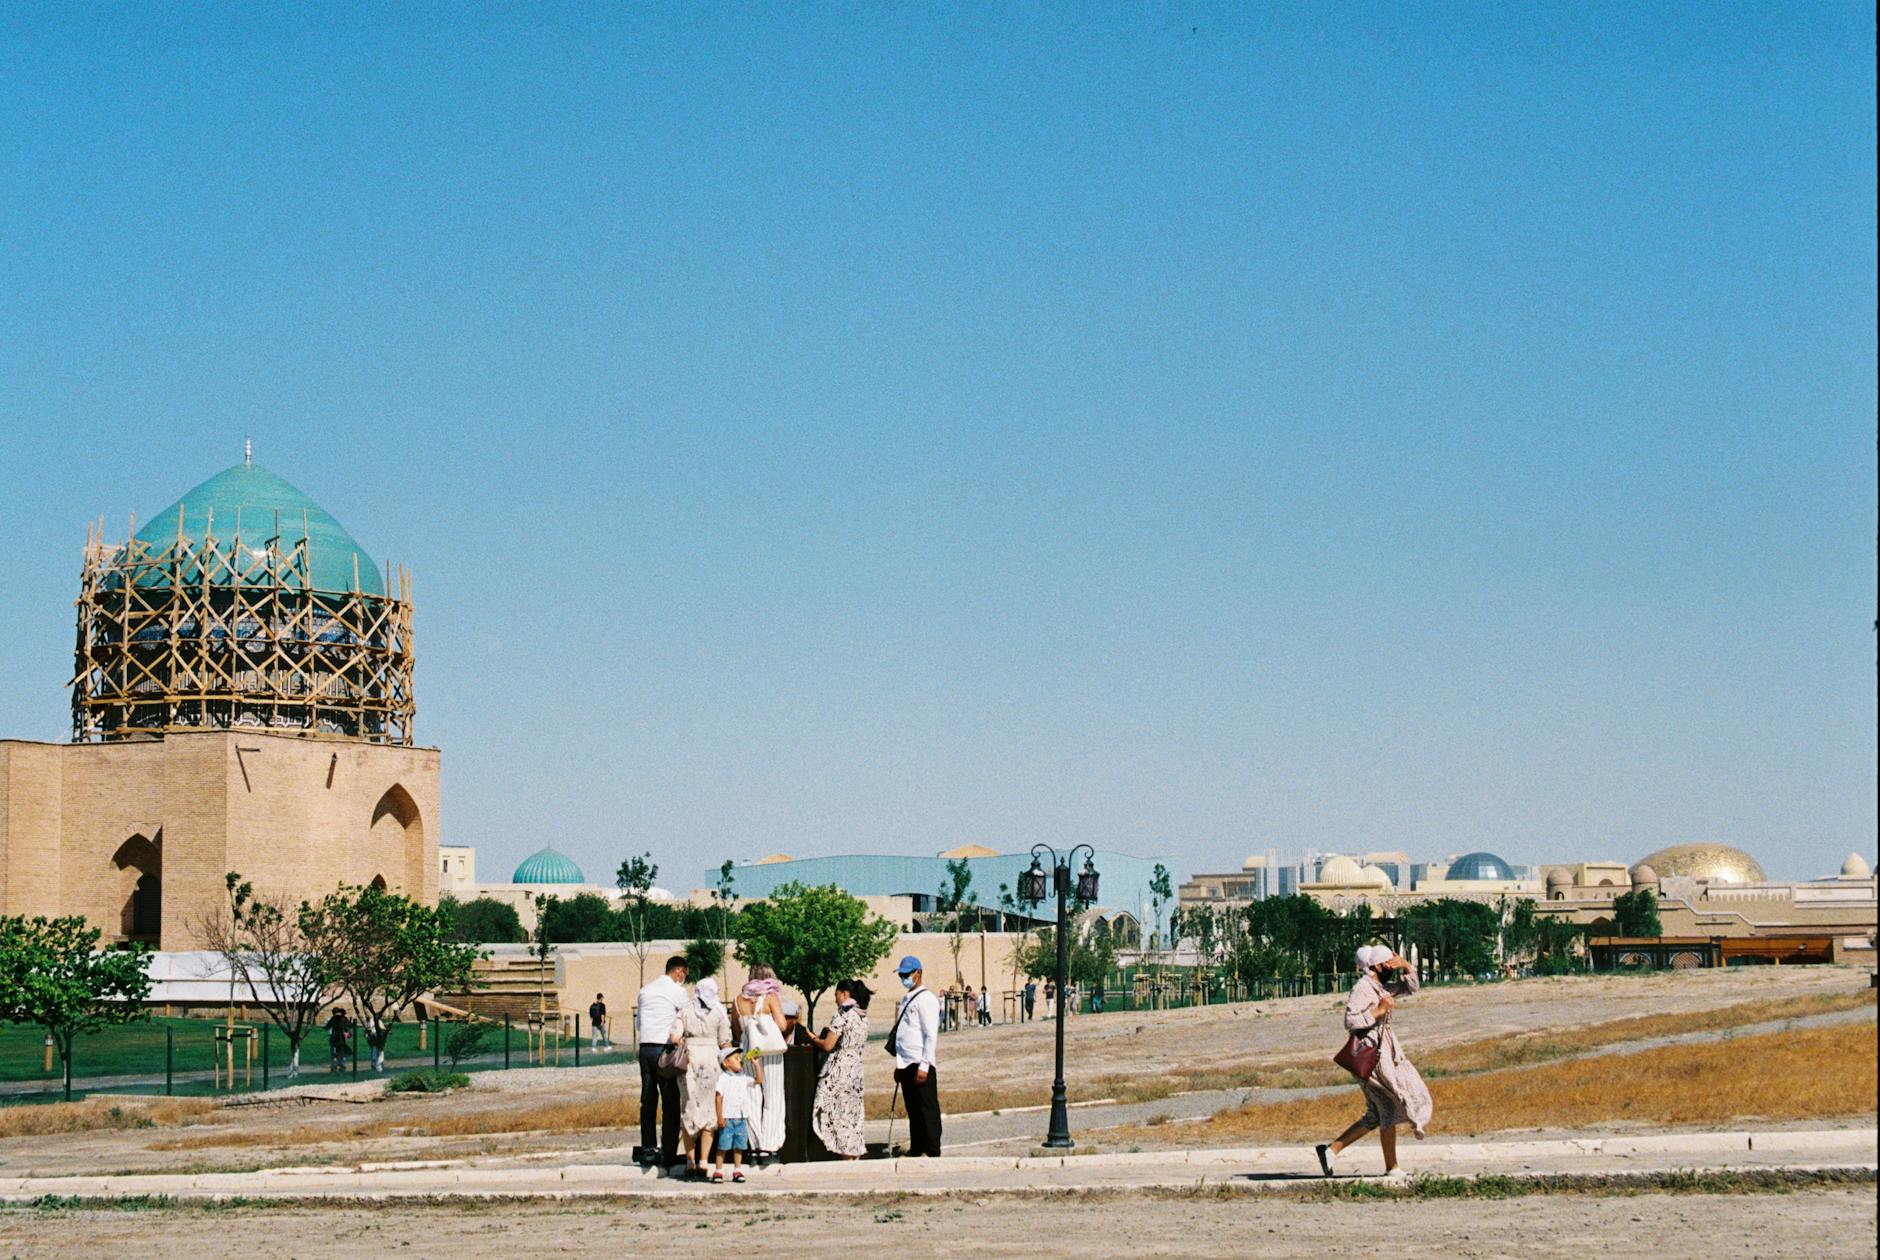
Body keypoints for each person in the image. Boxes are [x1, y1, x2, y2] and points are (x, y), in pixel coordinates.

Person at [1316, 945, 1432, 1179]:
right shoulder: (1362, 988)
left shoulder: (1378, 986)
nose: (1390, 968)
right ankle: (1392, 1168)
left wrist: (1407, 966)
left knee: (1377, 1113)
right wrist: (1379, 1011)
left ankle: (1331, 1151)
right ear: (1376, 966)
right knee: (1388, 1106)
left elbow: (1411, 988)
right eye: (1387, 964)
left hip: (1383, 1054)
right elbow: (1350, 1020)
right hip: (1369, 1057)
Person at [670, 977, 734, 1179]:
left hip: (690, 1062)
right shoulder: (719, 1011)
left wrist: (684, 1040)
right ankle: (704, 1161)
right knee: (709, 1111)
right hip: (712, 1061)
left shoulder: (685, 1010)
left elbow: (673, 1037)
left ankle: (690, 1160)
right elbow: (725, 1042)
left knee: (689, 1107)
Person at [807, 979, 871, 1158]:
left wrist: (813, 1038)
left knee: (836, 1112)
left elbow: (828, 1045)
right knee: (853, 1114)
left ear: (844, 993)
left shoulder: (843, 1015)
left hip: (840, 1069)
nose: (835, 999)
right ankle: (854, 1153)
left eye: (836, 994)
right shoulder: (862, 1016)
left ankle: (844, 1153)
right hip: (856, 1070)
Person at [635, 954, 689, 1168]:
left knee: (648, 1099)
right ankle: (668, 1151)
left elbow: (640, 1023)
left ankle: (648, 1148)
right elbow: (685, 1018)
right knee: (670, 1100)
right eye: (684, 974)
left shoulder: (645, 990)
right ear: (679, 972)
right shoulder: (677, 991)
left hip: (645, 1047)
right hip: (664, 1048)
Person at [890, 955, 942, 1157]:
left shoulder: (926, 999)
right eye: (901, 975)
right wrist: (899, 1064)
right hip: (906, 1062)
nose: (903, 978)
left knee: (926, 1107)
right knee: (913, 1108)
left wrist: (925, 1064)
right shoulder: (907, 999)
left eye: (906, 974)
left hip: (920, 1062)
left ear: (918, 973)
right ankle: (918, 1145)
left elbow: (930, 1035)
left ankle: (932, 1148)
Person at [736, 963, 790, 1157]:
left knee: (751, 1096)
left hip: (749, 1053)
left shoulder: (738, 1001)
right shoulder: (770, 997)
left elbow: (737, 1030)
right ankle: (769, 1145)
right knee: (773, 1096)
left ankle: (755, 1144)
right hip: (771, 1053)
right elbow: (782, 1025)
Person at [713, 1047, 760, 1183]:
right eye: (735, 1058)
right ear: (726, 1063)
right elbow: (718, 1097)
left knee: (739, 1146)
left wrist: (756, 1065)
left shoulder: (743, 1077)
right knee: (723, 1145)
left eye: (740, 1057)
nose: (740, 1060)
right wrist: (720, 1116)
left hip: (741, 1117)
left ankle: (737, 1170)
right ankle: (718, 1171)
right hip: (727, 1117)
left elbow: (758, 1081)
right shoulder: (723, 1078)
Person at [324, 1008, 353, 1072]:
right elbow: (349, 1026)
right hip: (341, 1039)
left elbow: (327, 1027)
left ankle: (334, 1067)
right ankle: (342, 1066)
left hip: (334, 1038)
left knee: (334, 1053)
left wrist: (325, 1027)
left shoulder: (333, 1018)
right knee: (341, 1053)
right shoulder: (344, 1019)